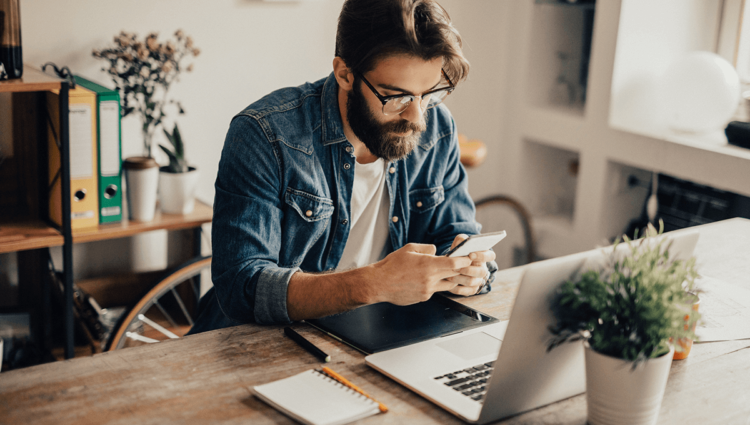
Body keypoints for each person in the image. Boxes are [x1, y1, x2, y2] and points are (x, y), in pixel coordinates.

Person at [189, 0, 498, 332]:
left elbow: (455, 235)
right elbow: (242, 287)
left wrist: (471, 272)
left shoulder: (439, 127)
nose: (418, 118)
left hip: (380, 336)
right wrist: (372, 284)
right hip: (265, 343)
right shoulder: (265, 135)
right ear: (345, 74)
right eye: (397, 97)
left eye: (430, 94)